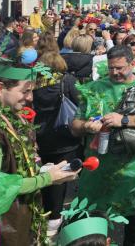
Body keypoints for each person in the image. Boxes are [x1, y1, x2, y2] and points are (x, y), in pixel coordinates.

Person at [70, 44, 135, 246]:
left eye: (120, 68)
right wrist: (86, 126)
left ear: (133, 64)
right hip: (100, 169)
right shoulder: (93, 89)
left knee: (134, 219)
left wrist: (124, 120)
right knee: (95, 217)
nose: (115, 72)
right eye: (111, 68)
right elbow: (74, 125)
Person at [0, 60, 80, 245]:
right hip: (4, 228)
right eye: (24, 91)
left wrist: (47, 171)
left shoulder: (9, 115)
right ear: (0, 88)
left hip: (22, 219)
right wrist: (46, 180)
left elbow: (12, 170)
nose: (31, 97)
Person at [32, 50, 84, 237]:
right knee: (62, 176)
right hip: (65, 134)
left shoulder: (35, 83)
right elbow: (81, 101)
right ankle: (55, 219)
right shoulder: (66, 81)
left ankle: (47, 213)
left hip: (42, 136)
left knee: (47, 172)